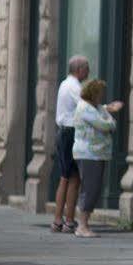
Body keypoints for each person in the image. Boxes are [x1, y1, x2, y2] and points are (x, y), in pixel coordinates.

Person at [70, 78, 122, 238]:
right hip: (89, 154)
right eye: (100, 93)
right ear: (93, 93)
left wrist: (107, 110)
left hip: (96, 154)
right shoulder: (85, 108)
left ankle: (84, 224)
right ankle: (82, 225)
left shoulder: (95, 107)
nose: (101, 96)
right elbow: (106, 124)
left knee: (93, 188)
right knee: (90, 188)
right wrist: (110, 119)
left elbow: (103, 112)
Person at [52, 55, 89, 233]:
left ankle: (62, 220)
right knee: (70, 178)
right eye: (86, 68)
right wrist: (107, 109)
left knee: (69, 176)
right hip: (70, 133)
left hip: (64, 132)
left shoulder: (64, 83)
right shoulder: (74, 86)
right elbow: (86, 106)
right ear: (79, 69)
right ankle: (64, 220)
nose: (88, 72)